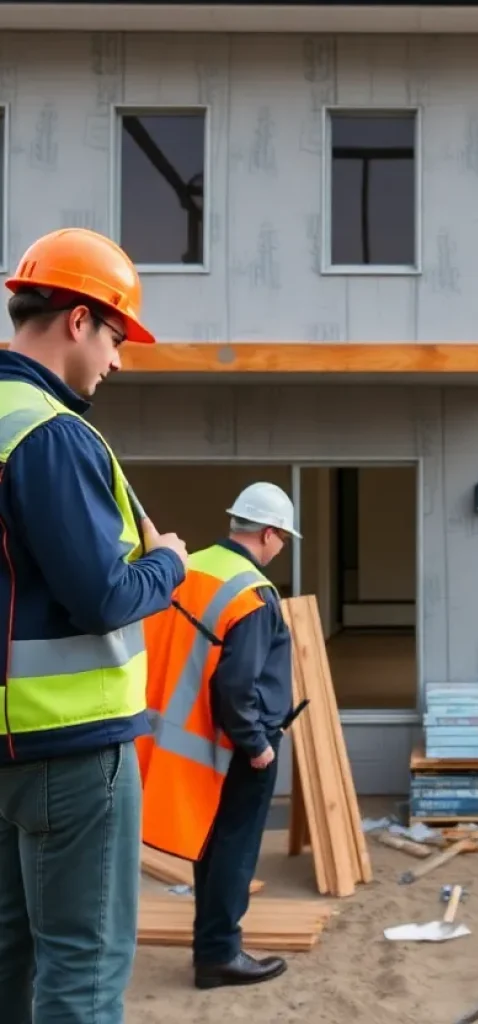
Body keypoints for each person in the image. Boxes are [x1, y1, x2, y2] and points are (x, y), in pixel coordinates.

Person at [0, 228, 188, 1023]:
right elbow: (104, 596)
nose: (117, 360)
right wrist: (169, 563)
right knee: (82, 971)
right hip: (73, 752)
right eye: (116, 337)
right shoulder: (52, 433)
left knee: (10, 959)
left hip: (8, 748)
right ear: (78, 320)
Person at [139, 481, 300, 990]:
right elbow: (237, 684)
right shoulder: (252, 593)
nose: (282, 546)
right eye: (284, 538)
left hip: (183, 736)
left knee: (211, 844)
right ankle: (218, 955)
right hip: (235, 744)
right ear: (270, 534)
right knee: (233, 848)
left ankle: (211, 948)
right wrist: (257, 745)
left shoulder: (190, 565)